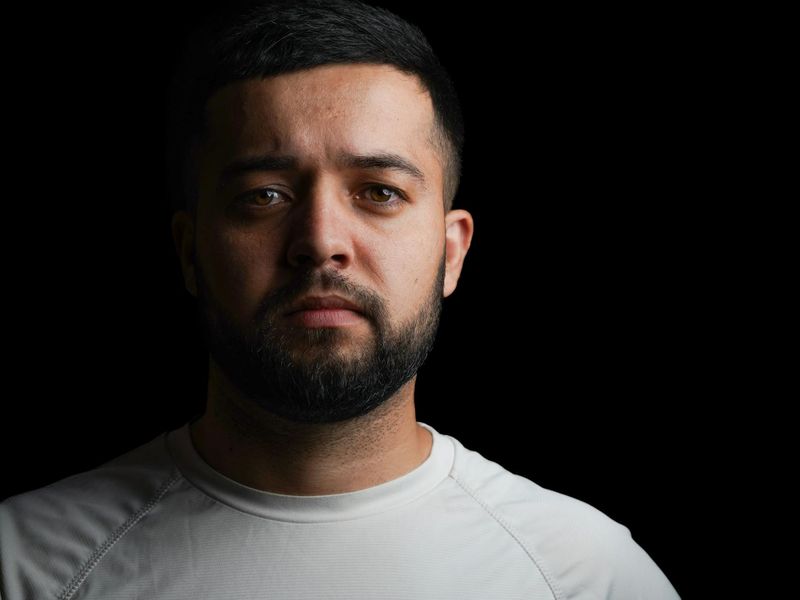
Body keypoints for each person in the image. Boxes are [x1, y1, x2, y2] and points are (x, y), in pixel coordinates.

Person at [0, 1, 680, 598]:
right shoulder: (25, 564)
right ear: (189, 251)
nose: (321, 242)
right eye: (264, 195)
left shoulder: (586, 576)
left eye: (379, 192)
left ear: (452, 251)